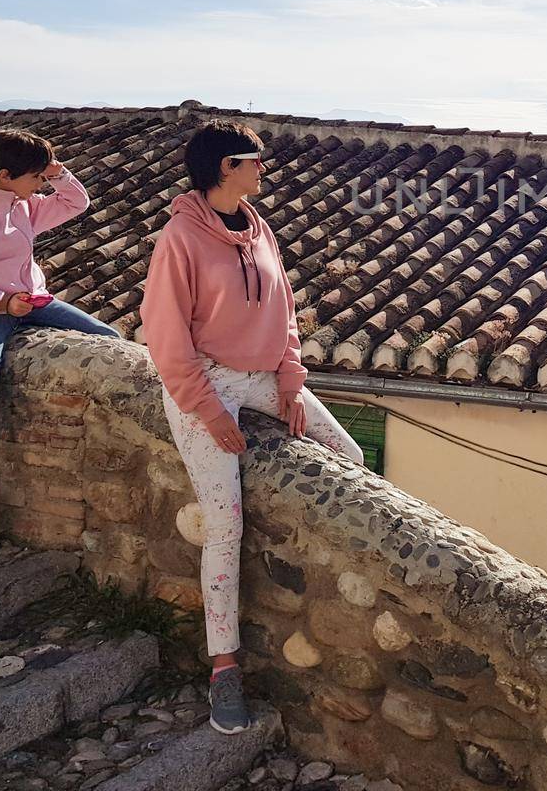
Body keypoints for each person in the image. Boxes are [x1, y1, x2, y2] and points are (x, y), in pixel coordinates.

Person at [140, 120, 363, 736]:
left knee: (347, 455)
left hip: (260, 377)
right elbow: (165, 334)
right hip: (203, 387)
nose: (263, 169)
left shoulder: (256, 227)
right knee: (225, 522)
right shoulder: (180, 239)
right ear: (224, 169)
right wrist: (208, 411)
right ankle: (224, 667)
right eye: (253, 160)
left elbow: (283, 310)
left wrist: (291, 381)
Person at [0, 128, 119, 535]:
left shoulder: (25, 207)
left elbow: (77, 202)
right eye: (35, 177)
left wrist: (56, 172)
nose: (40, 184)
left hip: (35, 301)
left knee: (107, 338)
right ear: (6, 175)